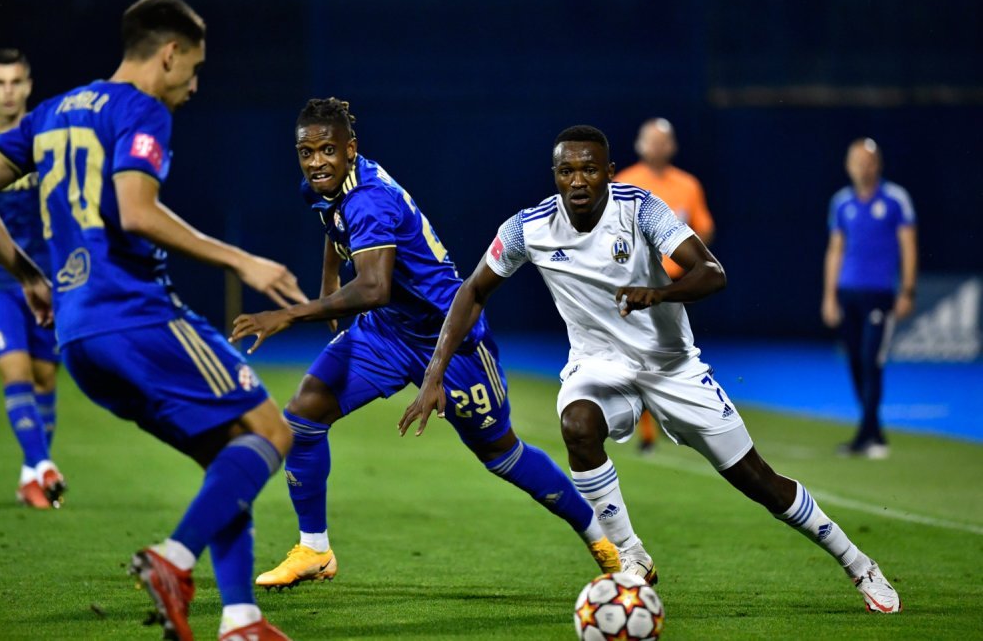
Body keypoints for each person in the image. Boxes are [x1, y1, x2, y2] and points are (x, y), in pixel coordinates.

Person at [401, 125, 902, 613]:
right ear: (554, 176)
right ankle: (631, 555)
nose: (578, 180)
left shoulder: (640, 208)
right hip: (598, 366)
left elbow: (712, 272)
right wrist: (434, 374)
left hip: (671, 366)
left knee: (759, 482)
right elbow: (472, 291)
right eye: (566, 171)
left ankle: (859, 564)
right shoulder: (526, 228)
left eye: (589, 169)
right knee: (577, 424)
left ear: (610, 172)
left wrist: (659, 293)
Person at [0, 0, 305, 640]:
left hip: (78, 336)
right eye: (195, 67)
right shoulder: (141, 108)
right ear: (169, 53)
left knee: (229, 455)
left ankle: (241, 619)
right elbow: (136, 211)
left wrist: (28, 275)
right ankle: (174, 559)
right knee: (272, 430)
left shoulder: (50, 113)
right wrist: (241, 261)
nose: (195, 84)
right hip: (134, 313)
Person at [228, 98, 626, 591]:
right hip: (388, 331)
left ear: (351, 149)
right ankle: (315, 549)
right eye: (306, 152)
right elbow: (334, 224)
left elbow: (374, 287)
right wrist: (329, 281)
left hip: (450, 337)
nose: (316, 162)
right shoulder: (327, 184)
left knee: (501, 454)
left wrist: (289, 313)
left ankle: (599, 538)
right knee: (304, 415)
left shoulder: (370, 199)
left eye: (327, 150)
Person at [0, 48, 67, 509]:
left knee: (44, 377)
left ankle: (29, 476)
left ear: (29, 86)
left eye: (16, 81)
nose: (8, 91)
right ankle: (43, 464)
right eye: (0, 82)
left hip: (47, 279)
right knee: (13, 369)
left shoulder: (44, 140)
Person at [614, 118, 715, 454]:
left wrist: (690, 269)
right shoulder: (624, 183)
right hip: (639, 286)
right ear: (640, 144)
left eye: (663, 141)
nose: (657, 147)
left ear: (672, 146)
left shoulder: (688, 185)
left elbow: (704, 229)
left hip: (675, 286)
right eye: (651, 140)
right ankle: (646, 432)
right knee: (637, 357)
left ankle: (690, 419)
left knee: (680, 355)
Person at [822, 138, 917, 459]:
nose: (863, 168)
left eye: (868, 162)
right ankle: (873, 432)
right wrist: (829, 296)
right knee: (854, 361)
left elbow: (908, 245)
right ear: (848, 166)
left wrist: (907, 289)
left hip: (879, 294)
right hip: (848, 292)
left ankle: (867, 435)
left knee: (871, 359)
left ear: (878, 165)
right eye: (857, 162)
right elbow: (835, 250)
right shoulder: (841, 202)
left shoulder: (895, 199)